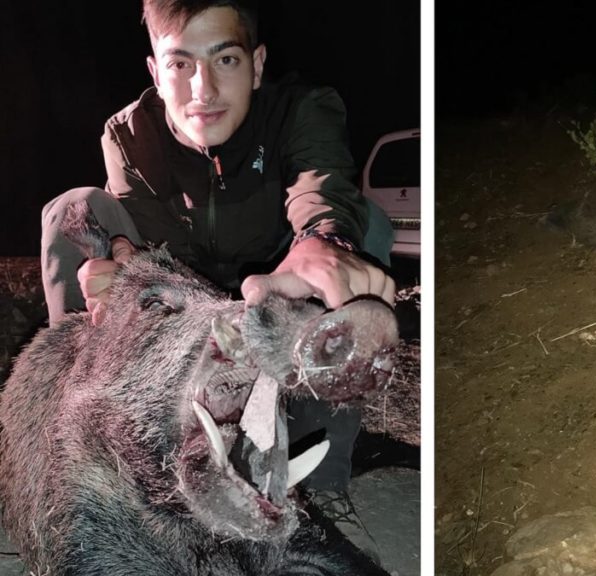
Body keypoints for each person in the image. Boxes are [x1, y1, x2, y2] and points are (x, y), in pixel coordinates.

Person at [39, 0, 395, 559]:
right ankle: (78, 448)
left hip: (276, 276)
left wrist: (325, 240)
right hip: (188, 283)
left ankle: (321, 475)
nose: (201, 90)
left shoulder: (302, 107)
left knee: (367, 225)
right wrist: (121, 267)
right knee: (74, 207)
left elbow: (321, 184)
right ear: (156, 72)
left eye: (224, 59)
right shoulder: (128, 133)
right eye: (180, 65)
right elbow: (139, 235)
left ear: (256, 64)